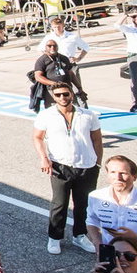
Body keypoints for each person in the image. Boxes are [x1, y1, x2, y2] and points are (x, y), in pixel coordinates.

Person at [33, 83, 102, 255]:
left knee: (83, 204)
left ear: (71, 94)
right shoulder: (46, 115)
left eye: (65, 94)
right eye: (58, 95)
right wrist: (44, 159)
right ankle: (55, 237)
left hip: (86, 166)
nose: (62, 98)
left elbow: (97, 140)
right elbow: (37, 137)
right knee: (59, 203)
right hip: (60, 166)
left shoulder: (88, 115)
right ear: (53, 97)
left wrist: (98, 163)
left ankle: (79, 235)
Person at [30, 39, 81, 113]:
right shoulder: (41, 60)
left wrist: (79, 88)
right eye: (49, 46)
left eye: (54, 46)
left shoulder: (64, 58)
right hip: (52, 92)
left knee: (73, 110)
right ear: (45, 47)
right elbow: (38, 77)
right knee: (54, 113)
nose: (52, 48)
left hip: (67, 89)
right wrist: (54, 84)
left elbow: (71, 74)